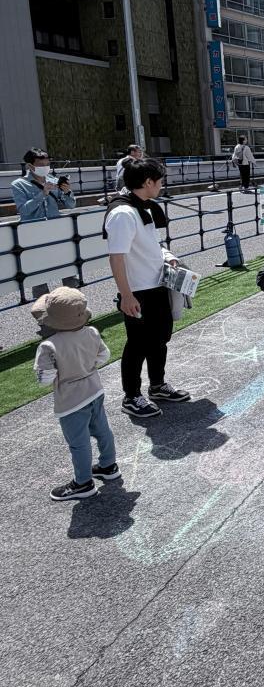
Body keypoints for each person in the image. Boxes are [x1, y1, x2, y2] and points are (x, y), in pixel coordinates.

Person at [105, 157, 190, 419]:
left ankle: (157, 385)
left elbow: (152, 244)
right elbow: (116, 257)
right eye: (160, 180)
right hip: (138, 291)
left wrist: (167, 256)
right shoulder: (123, 213)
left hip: (157, 285)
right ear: (147, 182)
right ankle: (131, 396)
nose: (162, 185)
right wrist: (127, 295)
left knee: (160, 338)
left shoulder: (144, 207)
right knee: (137, 345)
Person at [32, 287, 119, 503]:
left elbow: (44, 380)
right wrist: (86, 366)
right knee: (102, 429)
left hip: (70, 401)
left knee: (78, 442)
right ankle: (109, 465)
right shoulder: (92, 332)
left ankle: (83, 483)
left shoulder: (48, 346)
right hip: (94, 390)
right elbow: (104, 355)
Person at [12, 149, 61, 222]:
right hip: (32, 228)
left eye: (47, 164)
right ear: (30, 166)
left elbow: (71, 205)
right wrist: (43, 194)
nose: (45, 167)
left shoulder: (54, 181)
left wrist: (67, 193)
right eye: (41, 165)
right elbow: (24, 210)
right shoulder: (18, 184)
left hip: (55, 226)